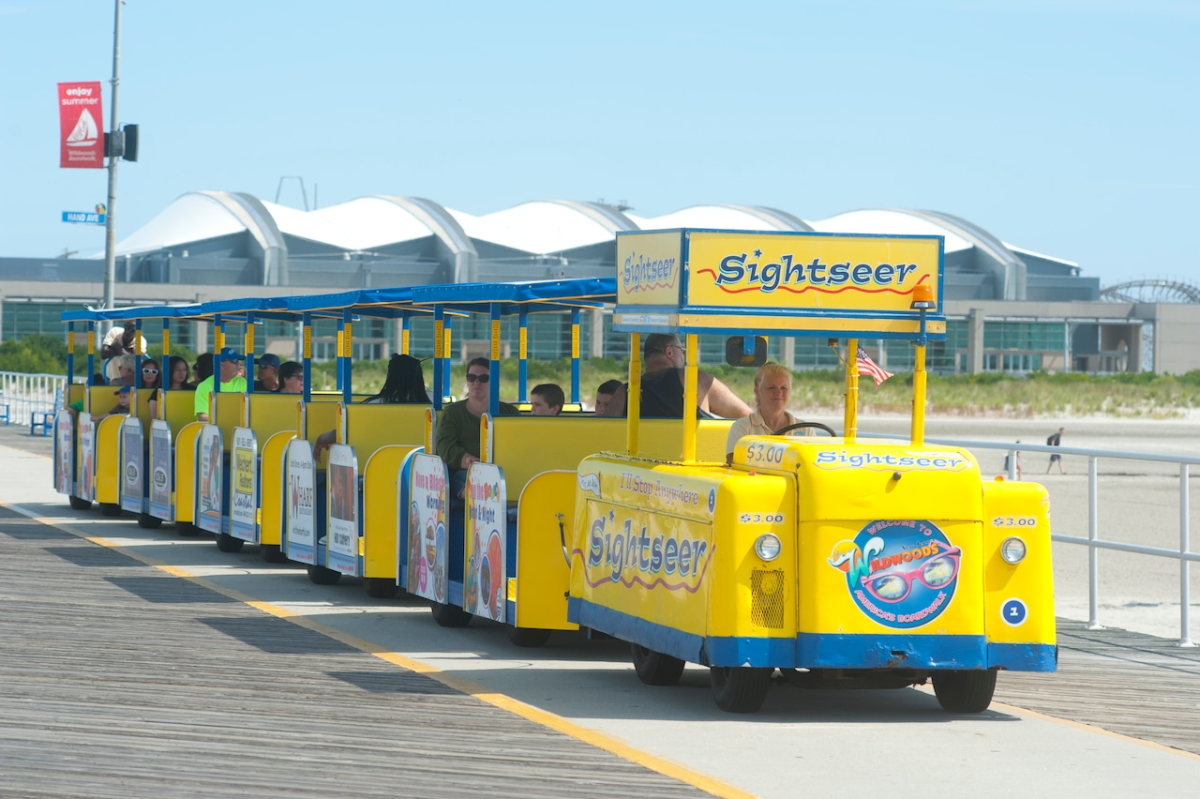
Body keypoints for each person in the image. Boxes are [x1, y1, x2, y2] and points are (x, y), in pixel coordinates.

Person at [312, 354, 431, 461]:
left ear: (390, 376)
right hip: (423, 469)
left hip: (374, 469)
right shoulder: (434, 403)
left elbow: (345, 432)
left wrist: (321, 439)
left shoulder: (373, 405)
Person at [435, 357, 519, 496]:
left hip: (503, 469)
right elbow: (445, 446)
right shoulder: (452, 412)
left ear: (494, 381)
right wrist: (469, 461)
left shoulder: (510, 412)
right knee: (472, 482)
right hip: (464, 472)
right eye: (471, 377)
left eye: (484, 378)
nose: (476, 382)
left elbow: (518, 444)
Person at [639, 333, 751, 419]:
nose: (683, 357)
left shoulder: (624, 393)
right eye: (682, 350)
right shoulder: (693, 380)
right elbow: (748, 416)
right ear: (669, 352)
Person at [725, 362, 807, 463]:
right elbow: (734, 465)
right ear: (757, 392)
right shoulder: (742, 428)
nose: (778, 392)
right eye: (771, 388)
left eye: (783, 388)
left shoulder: (806, 430)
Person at [194, 348, 247, 422]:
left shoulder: (243, 382)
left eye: (238, 361)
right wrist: (224, 422)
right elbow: (202, 417)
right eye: (234, 361)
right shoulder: (204, 386)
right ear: (221, 364)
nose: (238, 364)